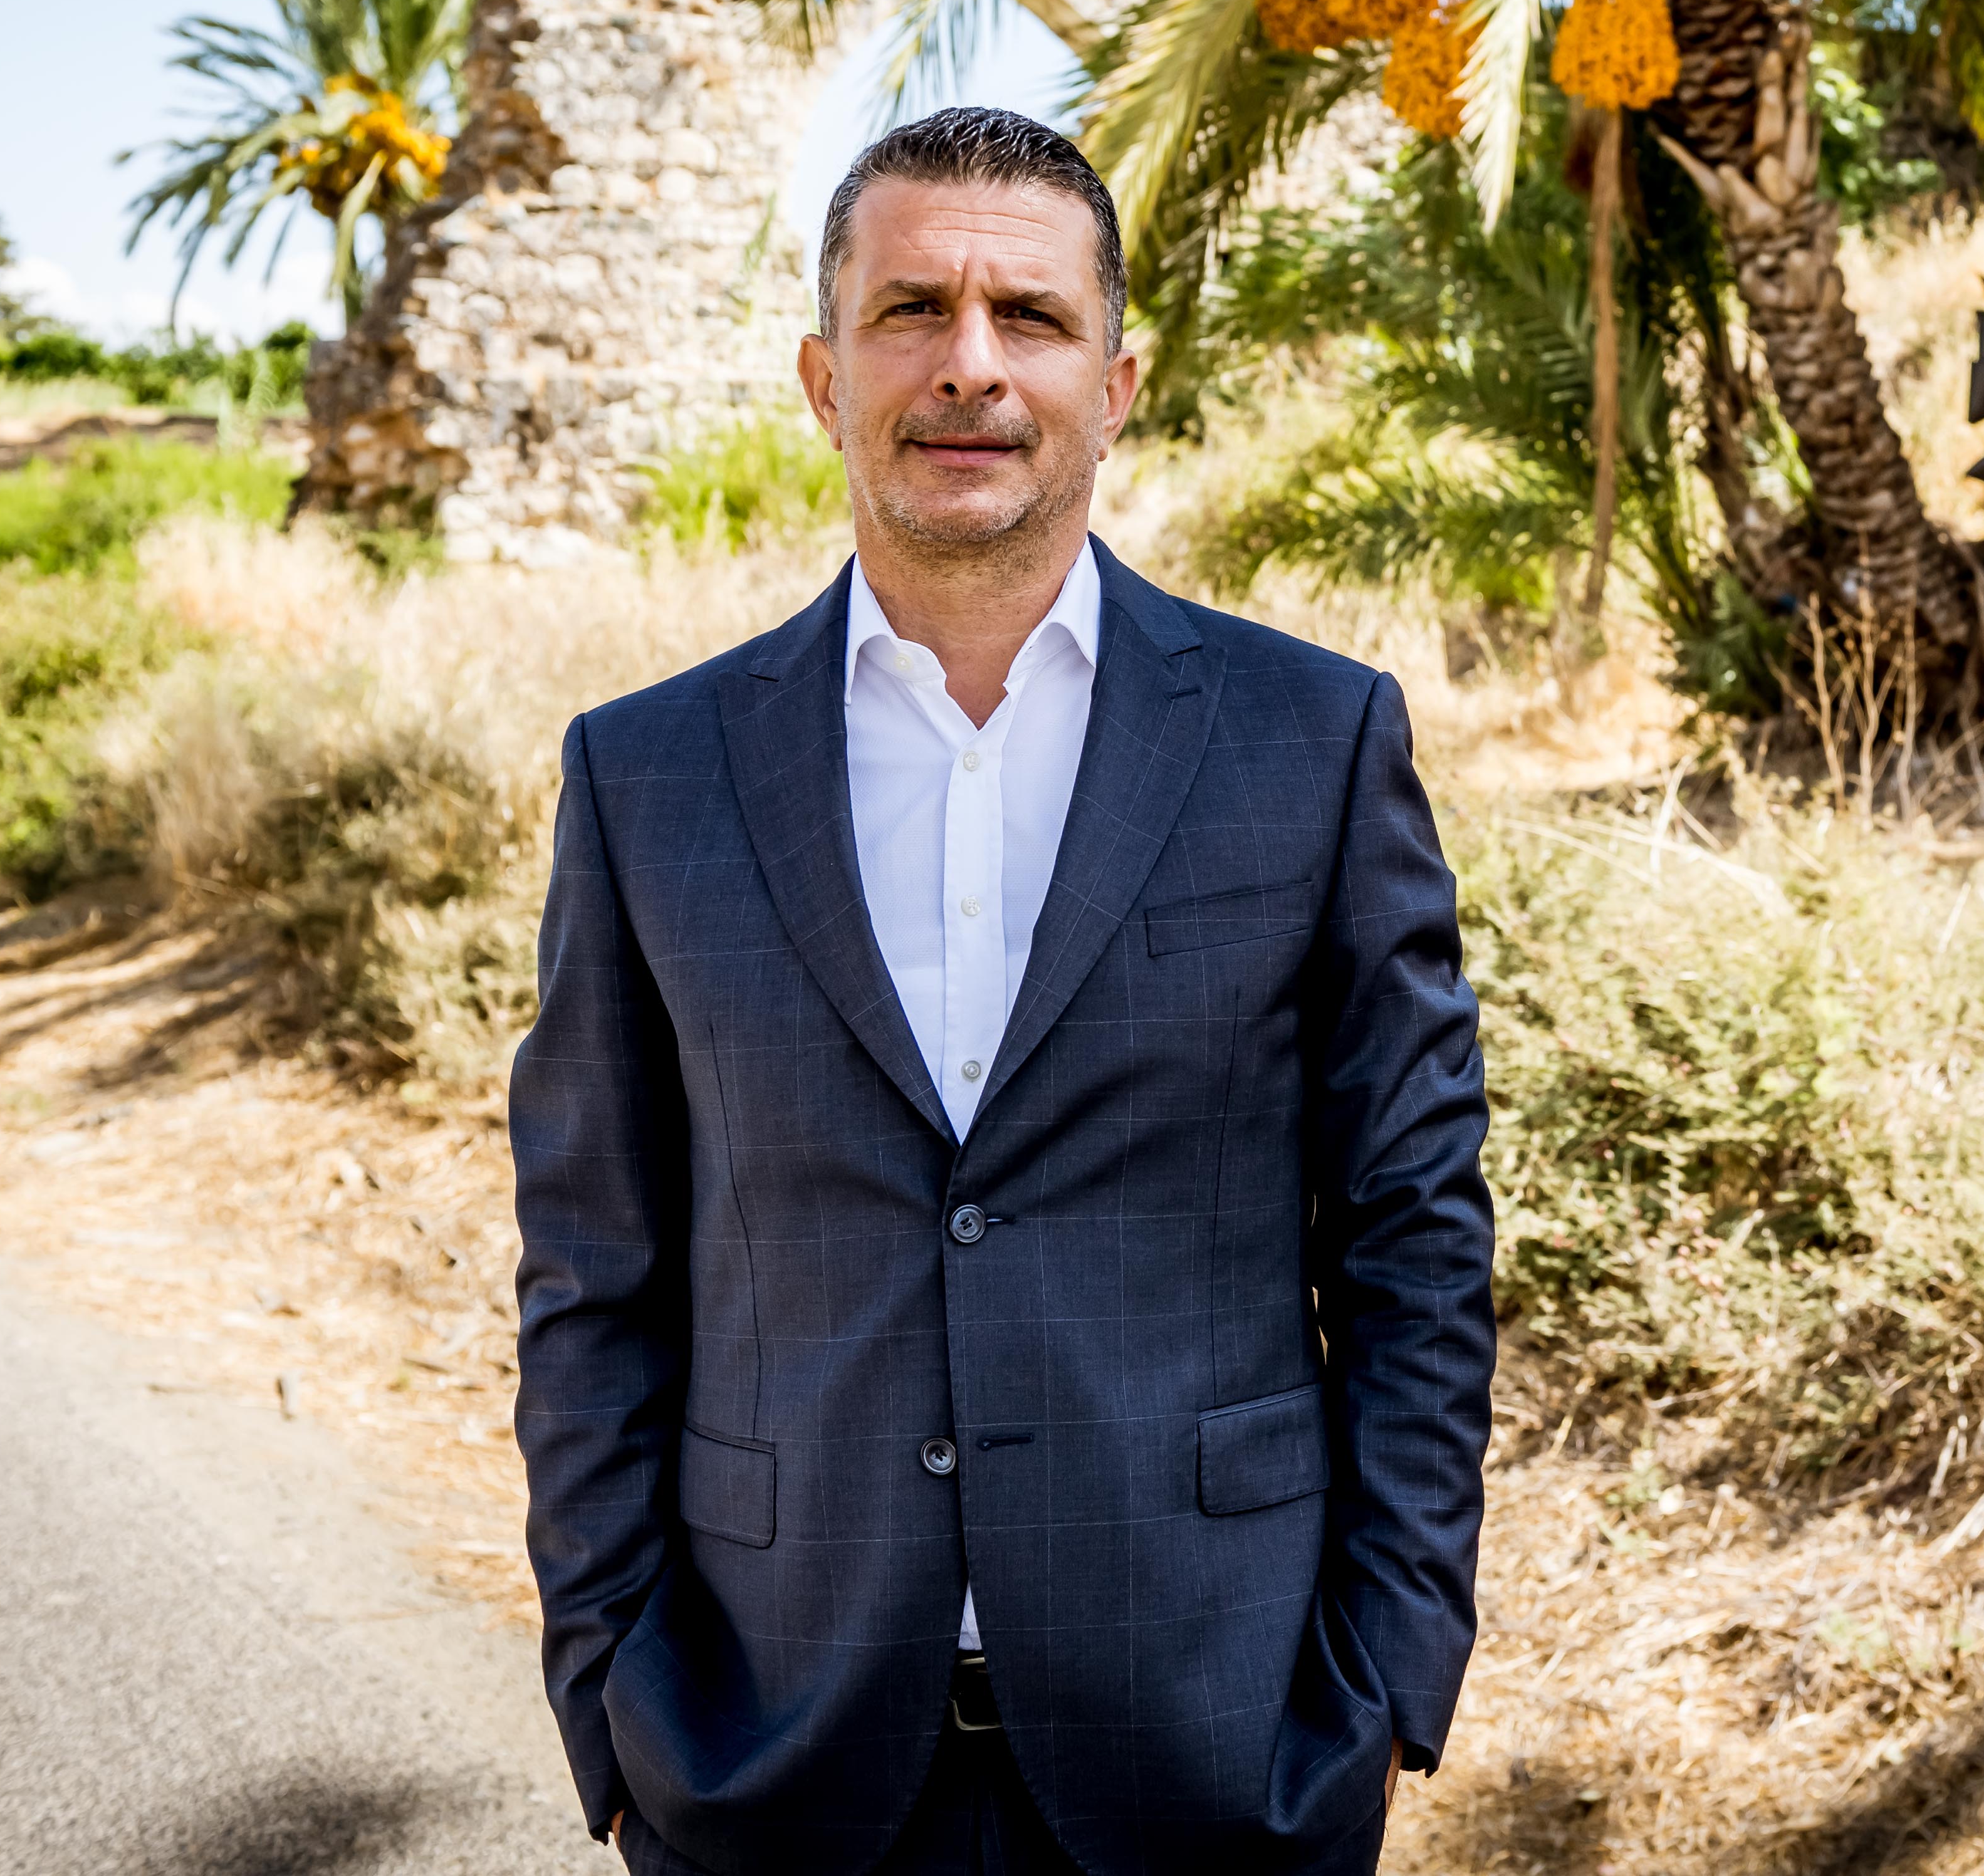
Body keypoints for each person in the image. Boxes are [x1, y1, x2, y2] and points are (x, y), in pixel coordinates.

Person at [511, 108, 1494, 1876]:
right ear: (825, 378)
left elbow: (1414, 1238)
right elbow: (594, 1273)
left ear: (1116, 386)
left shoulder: (1313, 742)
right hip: (766, 1764)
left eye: (1028, 316)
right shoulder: (646, 774)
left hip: (1224, 1758)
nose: (970, 365)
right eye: (913, 310)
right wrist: (610, 1684)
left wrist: (1391, 1676)